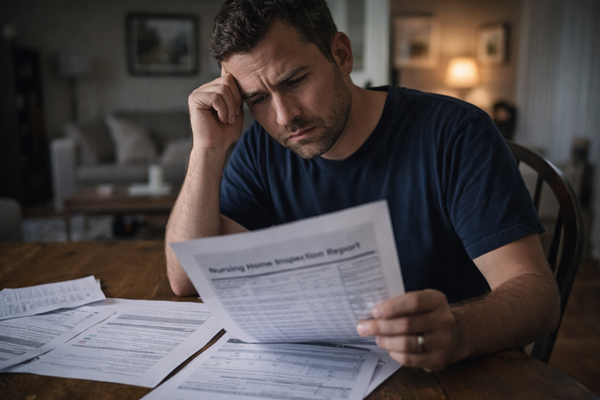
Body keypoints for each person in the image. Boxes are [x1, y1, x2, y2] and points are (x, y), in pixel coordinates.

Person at [165, 0, 560, 371]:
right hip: (327, 370)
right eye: (258, 100)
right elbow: (186, 279)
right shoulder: (260, 148)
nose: (285, 116)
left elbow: (537, 297)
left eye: (295, 80)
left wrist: (458, 330)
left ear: (341, 55)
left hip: (448, 373)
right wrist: (207, 150)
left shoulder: (456, 133)